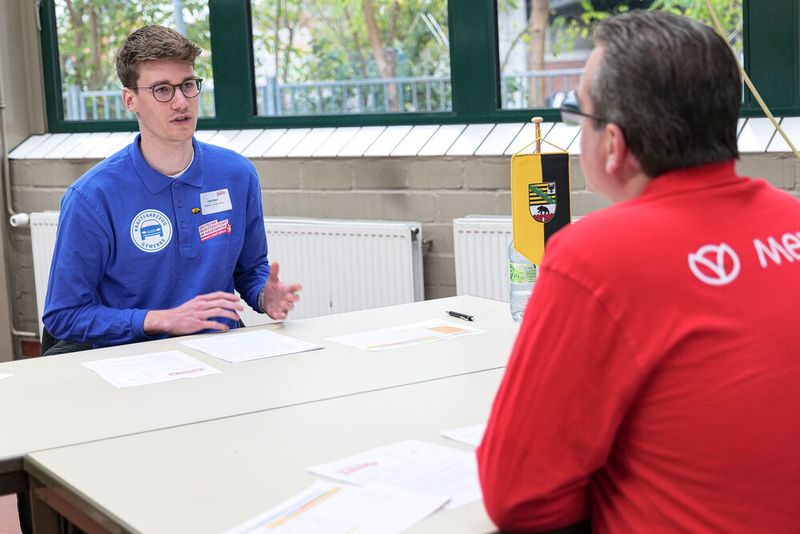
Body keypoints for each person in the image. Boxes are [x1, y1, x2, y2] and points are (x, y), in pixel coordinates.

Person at [477, 10, 800, 533]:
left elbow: (517, 497)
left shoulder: (594, 257)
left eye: (579, 115)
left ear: (613, 144)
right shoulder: (793, 219)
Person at [41, 25, 300, 354]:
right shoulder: (92, 197)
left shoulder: (237, 174)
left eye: (188, 85)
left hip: (222, 352)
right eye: (162, 90)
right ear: (130, 100)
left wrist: (264, 296)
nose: (181, 102)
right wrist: (160, 320)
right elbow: (64, 315)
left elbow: (250, 270)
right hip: (133, 358)